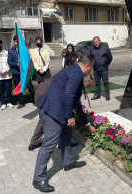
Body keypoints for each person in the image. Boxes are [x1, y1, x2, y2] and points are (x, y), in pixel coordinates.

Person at [33, 55, 94, 193]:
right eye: (91, 70)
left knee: (66, 134)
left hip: (57, 109)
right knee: (49, 144)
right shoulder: (77, 73)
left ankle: (68, 162)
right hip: (52, 112)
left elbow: (76, 103)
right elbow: (68, 94)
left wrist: (87, 125)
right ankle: (38, 178)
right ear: (87, 66)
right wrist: (69, 116)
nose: (89, 73)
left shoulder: (72, 70)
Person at [28, 74, 94, 151]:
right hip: (45, 94)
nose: (88, 88)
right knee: (60, 117)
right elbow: (77, 107)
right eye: (88, 85)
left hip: (41, 91)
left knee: (44, 118)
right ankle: (63, 143)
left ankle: (34, 143)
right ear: (84, 81)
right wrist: (87, 124)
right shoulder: (74, 84)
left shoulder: (72, 76)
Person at [8, 35, 35, 109]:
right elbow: (9, 62)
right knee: (18, 87)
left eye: (18, 41)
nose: (17, 42)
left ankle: (34, 100)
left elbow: (28, 59)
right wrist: (16, 64)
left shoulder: (24, 49)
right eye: (16, 41)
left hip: (24, 73)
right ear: (14, 41)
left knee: (30, 86)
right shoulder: (11, 51)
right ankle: (21, 102)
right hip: (16, 73)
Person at [90, 36, 112, 101]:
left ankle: (107, 95)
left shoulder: (105, 48)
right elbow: (91, 58)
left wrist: (106, 65)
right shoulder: (92, 49)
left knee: (105, 82)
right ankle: (97, 95)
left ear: (99, 41)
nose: (95, 43)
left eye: (96, 42)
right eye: (94, 42)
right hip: (95, 69)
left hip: (103, 69)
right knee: (97, 83)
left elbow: (110, 58)